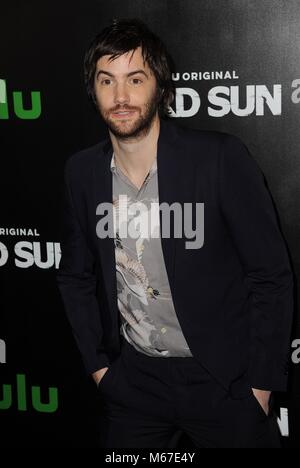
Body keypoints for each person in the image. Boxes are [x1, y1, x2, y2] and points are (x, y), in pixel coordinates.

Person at [56, 18, 294, 448]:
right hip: (134, 383)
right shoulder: (82, 172)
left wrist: (260, 385)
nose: (121, 96)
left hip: (223, 381)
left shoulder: (220, 160)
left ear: (160, 89)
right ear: (94, 90)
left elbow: (271, 275)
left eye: (135, 79)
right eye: (107, 80)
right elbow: (75, 276)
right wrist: (99, 368)